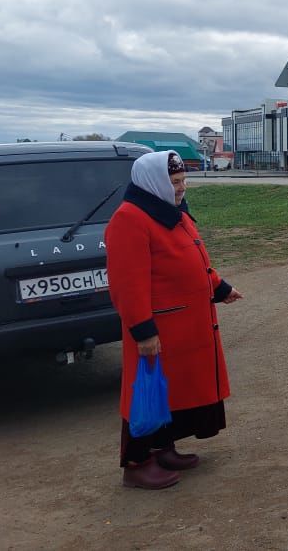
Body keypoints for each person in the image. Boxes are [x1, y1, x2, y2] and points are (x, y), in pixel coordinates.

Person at [108, 151, 242, 490]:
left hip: (184, 326)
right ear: (155, 182)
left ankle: (162, 447)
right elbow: (128, 283)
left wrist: (219, 288)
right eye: (174, 182)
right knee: (147, 394)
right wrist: (142, 330)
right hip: (157, 329)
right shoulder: (130, 219)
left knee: (171, 391)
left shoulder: (171, 211)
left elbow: (195, 258)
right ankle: (136, 464)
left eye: (183, 181)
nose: (181, 188)